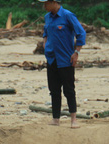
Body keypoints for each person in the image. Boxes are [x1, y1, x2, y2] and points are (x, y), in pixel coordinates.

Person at [38, 0, 86, 128]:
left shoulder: (68, 15)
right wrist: (45, 44)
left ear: (54, 2)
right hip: (52, 59)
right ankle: (55, 118)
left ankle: (73, 119)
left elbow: (81, 33)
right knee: (53, 89)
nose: (44, 6)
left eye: (46, 3)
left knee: (69, 90)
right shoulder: (47, 17)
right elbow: (45, 33)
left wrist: (76, 52)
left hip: (65, 59)